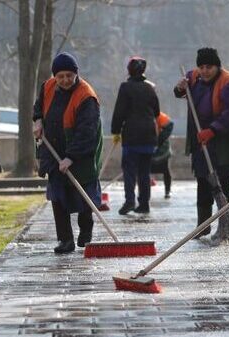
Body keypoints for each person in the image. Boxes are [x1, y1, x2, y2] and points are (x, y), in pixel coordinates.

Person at [32, 52, 103, 254]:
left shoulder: (86, 96)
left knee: (83, 197)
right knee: (58, 197)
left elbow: (87, 132)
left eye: (69, 76)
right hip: (53, 149)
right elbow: (38, 107)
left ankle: (86, 229)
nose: (65, 80)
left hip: (81, 154)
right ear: (55, 76)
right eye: (60, 76)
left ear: (76, 74)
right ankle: (65, 240)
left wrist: (71, 157)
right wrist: (37, 120)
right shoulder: (47, 86)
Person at [173, 47, 229, 238]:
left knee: (222, 182)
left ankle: (225, 224)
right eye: (202, 67)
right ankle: (203, 225)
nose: (205, 71)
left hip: (224, 142)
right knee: (203, 181)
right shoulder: (193, 77)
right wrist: (180, 88)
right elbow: (181, 92)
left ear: (217, 66)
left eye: (209, 67)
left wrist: (213, 130)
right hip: (200, 140)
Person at [111, 56, 160, 215]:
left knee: (129, 170)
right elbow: (157, 111)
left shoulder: (125, 87)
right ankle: (144, 203)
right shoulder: (150, 88)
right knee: (144, 172)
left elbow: (119, 111)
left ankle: (130, 201)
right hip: (149, 134)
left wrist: (115, 131)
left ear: (129, 70)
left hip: (132, 135)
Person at [151, 111, 174, 199]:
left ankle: (167, 190)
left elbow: (169, 124)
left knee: (166, 170)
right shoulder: (137, 114)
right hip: (146, 145)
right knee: (144, 172)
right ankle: (144, 194)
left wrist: (159, 141)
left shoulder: (159, 115)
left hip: (161, 148)